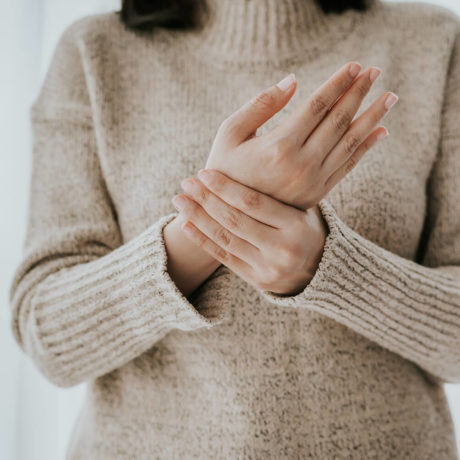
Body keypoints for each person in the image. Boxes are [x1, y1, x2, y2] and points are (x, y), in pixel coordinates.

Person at [8, 0, 460, 457]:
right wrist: (209, 228)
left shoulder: (434, 42)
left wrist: (326, 267)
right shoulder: (93, 52)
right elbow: (48, 338)